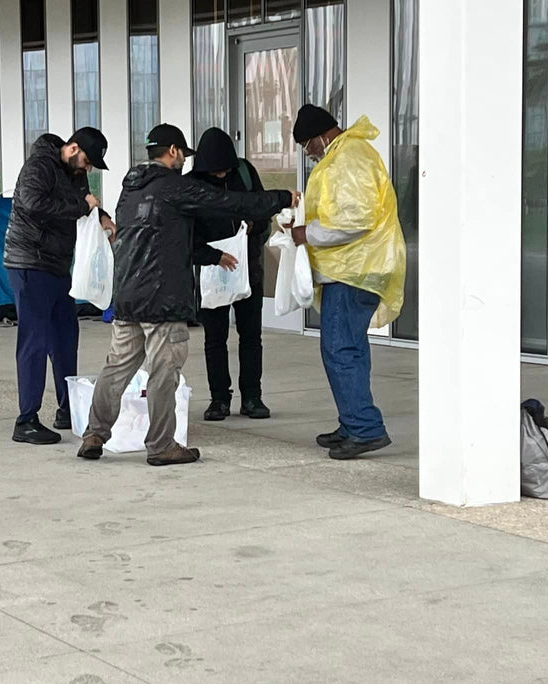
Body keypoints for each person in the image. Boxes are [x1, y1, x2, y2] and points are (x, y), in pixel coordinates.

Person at [77, 124, 298, 466]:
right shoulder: (176, 187)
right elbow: (228, 202)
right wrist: (281, 199)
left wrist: (213, 256)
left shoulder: (130, 189)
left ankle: (94, 433)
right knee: (164, 372)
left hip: (128, 296)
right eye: (183, 154)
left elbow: (171, 239)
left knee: (117, 367)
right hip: (162, 299)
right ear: (174, 152)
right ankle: (162, 445)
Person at [287, 104, 406, 461]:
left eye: (309, 144)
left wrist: (305, 233)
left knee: (339, 349)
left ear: (324, 134)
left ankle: (364, 428)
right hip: (355, 268)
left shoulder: (348, 157)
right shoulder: (347, 154)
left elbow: (354, 219)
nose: (308, 153)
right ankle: (352, 421)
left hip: (354, 270)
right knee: (350, 348)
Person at [4, 126, 116, 445]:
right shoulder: (38, 166)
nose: (88, 169)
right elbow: (31, 203)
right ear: (72, 149)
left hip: (56, 264)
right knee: (34, 341)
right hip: (28, 262)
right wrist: (83, 208)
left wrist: (102, 216)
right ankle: (26, 420)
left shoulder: (74, 173)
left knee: (65, 336)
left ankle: (68, 409)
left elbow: (84, 201)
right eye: (87, 161)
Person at [190, 127, 272, 422]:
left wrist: (254, 226)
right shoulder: (192, 184)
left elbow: (264, 209)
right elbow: (186, 235)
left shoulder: (246, 173)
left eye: (226, 170)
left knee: (251, 336)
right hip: (213, 272)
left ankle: (252, 397)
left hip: (248, 269)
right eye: (216, 172)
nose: (222, 175)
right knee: (214, 338)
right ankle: (219, 399)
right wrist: (212, 256)